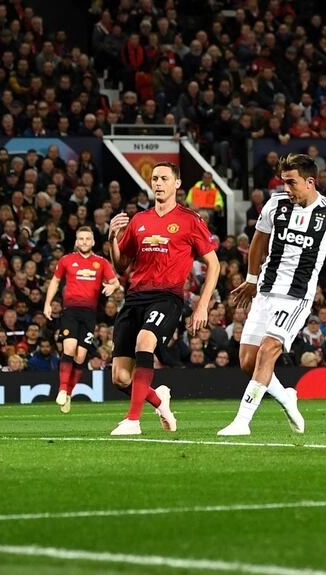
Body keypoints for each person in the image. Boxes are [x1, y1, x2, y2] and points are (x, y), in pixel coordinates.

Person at [221, 154, 326, 435]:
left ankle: (242, 422)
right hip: (265, 291)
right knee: (248, 362)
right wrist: (252, 279)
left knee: (267, 352)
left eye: (292, 183)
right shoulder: (276, 204)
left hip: (296, 297)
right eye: (283, 182)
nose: (286, 189)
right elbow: (259, 240)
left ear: (310, 182)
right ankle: (287, 397)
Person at [108, 161, 220, 435]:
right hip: (135, 297)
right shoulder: (139, 221)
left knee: (144, 342)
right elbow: (121, 265)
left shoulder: (190, 220)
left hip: (167, 298)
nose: (158, 183)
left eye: (164, 178)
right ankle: (159, 400)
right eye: (155, 178)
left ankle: (132, 420)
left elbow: (213, 264)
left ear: (177, 184)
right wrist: (113, 237)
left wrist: (202, 304)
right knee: (120, 378)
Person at [43, 226, 119, 413]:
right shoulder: (66, 260)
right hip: (70, 312)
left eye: (87, 239)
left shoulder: (101, 262)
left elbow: (115, 281)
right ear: (76, 241)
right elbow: (55, 281)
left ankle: (69, 393)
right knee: (68, 348)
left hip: (89, 314)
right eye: (81, 239)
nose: (84, 242)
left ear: (93, 242)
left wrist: (113, 287)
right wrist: (48, 303)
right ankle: (62, 389)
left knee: (81, 356)